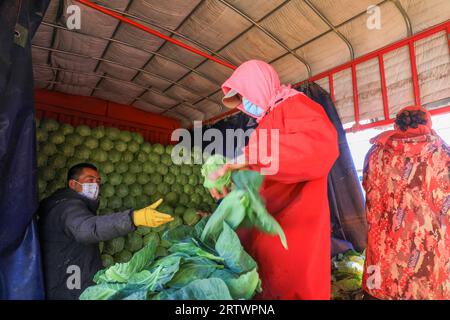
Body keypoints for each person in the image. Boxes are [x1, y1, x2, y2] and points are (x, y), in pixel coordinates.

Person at [209, 60, 339, 300]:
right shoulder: (267, 119)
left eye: (245, 94)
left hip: (294, 228)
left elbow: (321, 146)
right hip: (266, 227)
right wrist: (231, 186)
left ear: (259, 85)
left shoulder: (295, 105)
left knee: (292, 288)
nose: (245, 104)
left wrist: (249, 157)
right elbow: (261, 174)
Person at [38, 163, 173, 300]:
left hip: (71, 277)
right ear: (73, 184)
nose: (95, 185)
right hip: (69, 284)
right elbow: (87, 230)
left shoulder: (68, 204)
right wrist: (133, 218)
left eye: (97, 181)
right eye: (90, 180)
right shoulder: (67, 207)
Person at [361, 106, 449, 300]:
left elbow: (368, 191)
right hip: (431, 261)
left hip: (383, 256)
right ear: (428, 124)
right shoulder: (444, 154)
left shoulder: (375, 154)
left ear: (397, 124)